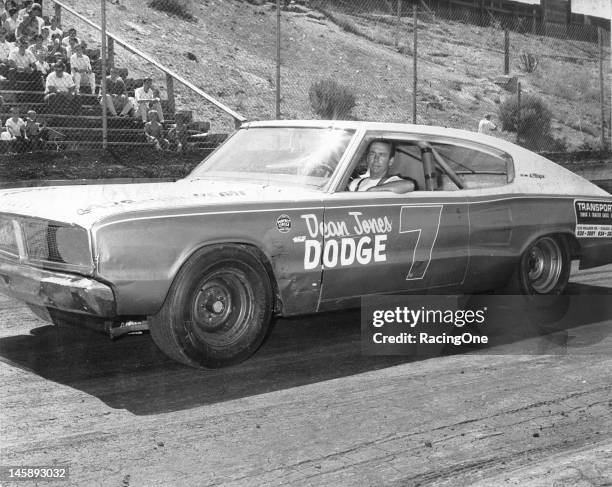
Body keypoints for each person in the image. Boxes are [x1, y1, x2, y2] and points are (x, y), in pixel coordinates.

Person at [349, 141, 415, 192]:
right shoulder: (356, 183)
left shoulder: (393, 181)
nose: (376, 159)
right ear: (367, 158)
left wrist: (373, 190)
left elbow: (409, 185)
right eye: (372, 154)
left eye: (382, 155)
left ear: (390, 161)